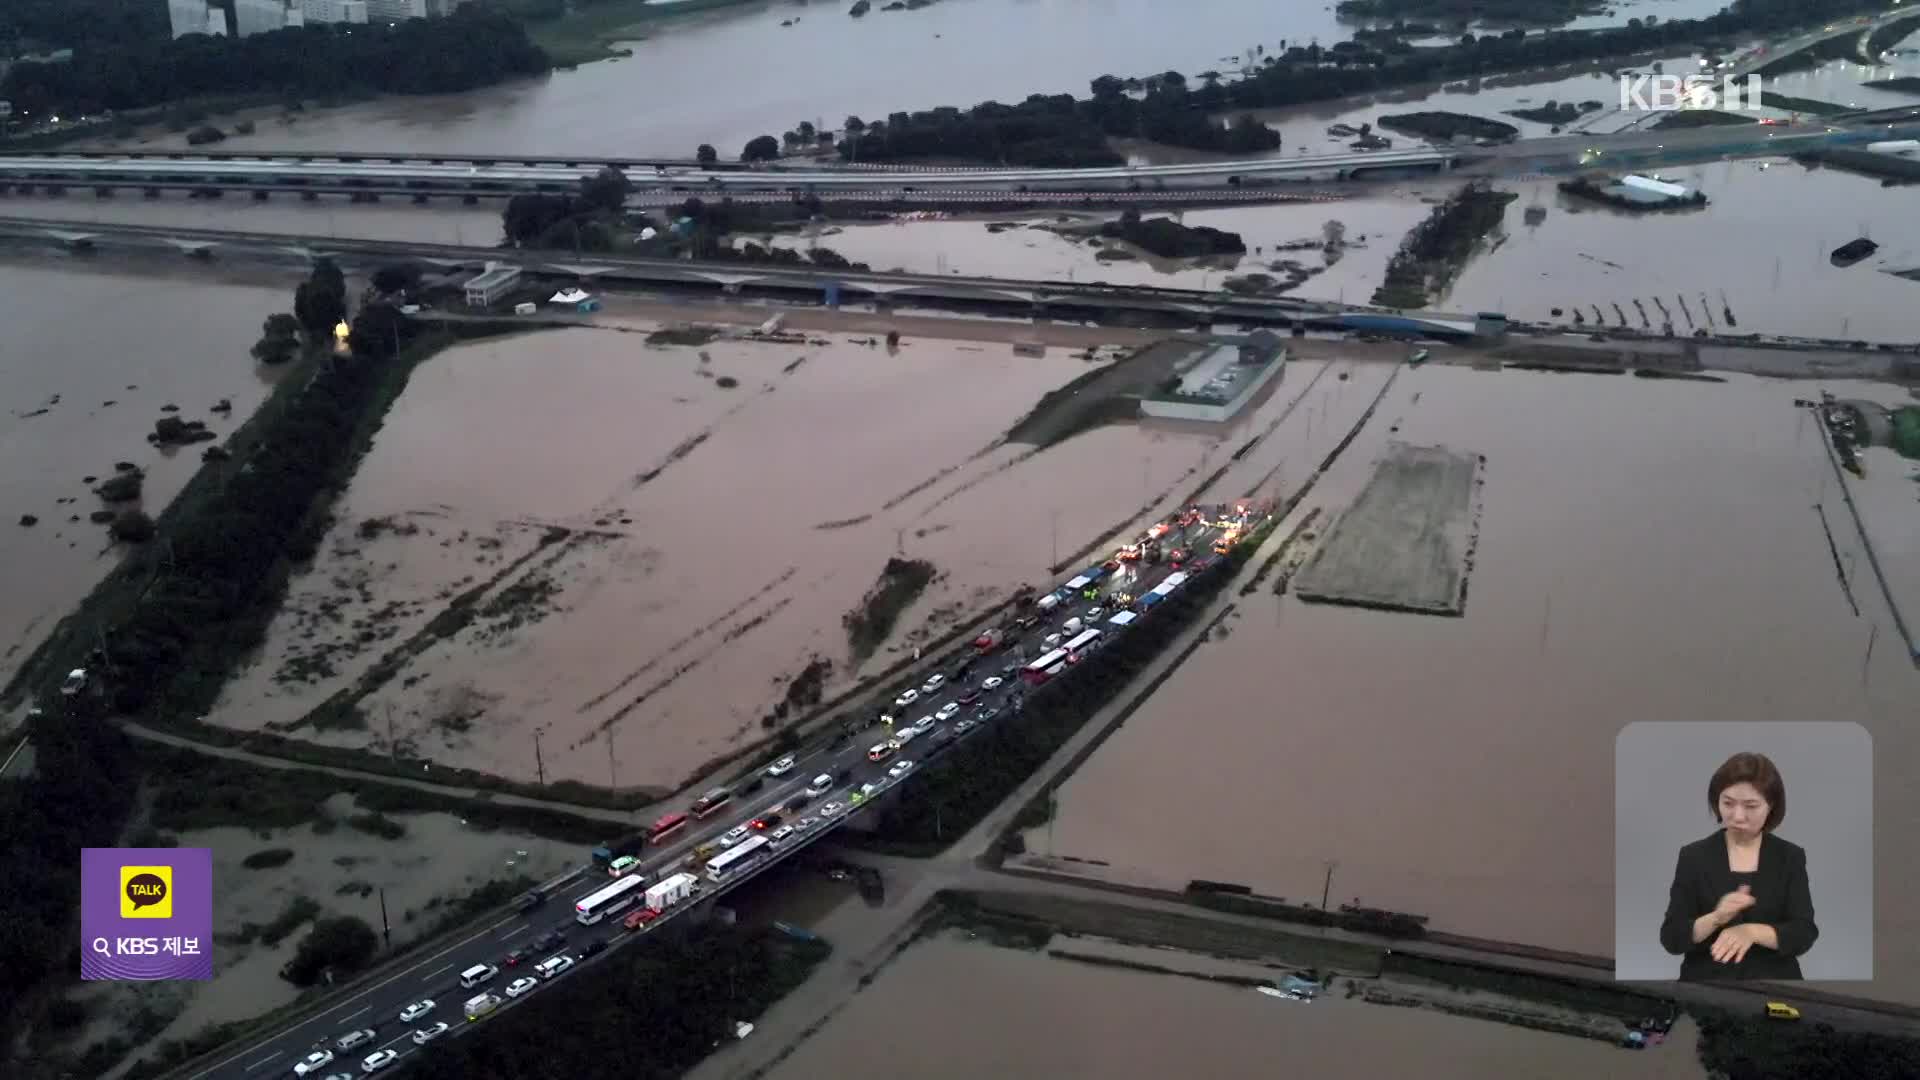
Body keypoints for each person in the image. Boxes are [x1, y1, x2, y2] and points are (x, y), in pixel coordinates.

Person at [1659, 751, 1818, 980]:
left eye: (1751, 806)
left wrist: (1751, 932)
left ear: (1771, 806)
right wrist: (1716, 918)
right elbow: (1672, 938)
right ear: (1717, 801)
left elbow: (1804, 932)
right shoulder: (1694, 856)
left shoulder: (1789, 857)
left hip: (1775, 985)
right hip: (1706, 985)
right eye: (1728, 803)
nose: (1737, 816)